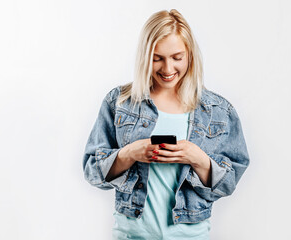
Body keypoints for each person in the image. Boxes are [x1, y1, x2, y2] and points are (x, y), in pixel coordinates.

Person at [83, 9, 249, 240]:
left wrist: (198, 158)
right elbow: (92, 172)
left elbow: (228, 183)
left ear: (190, 55)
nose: (168, 69)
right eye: (157, 58)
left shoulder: (218, 111)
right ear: (145, 56)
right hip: (132, 235)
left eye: (177, 58)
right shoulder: (120, 102)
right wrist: (130, 153)